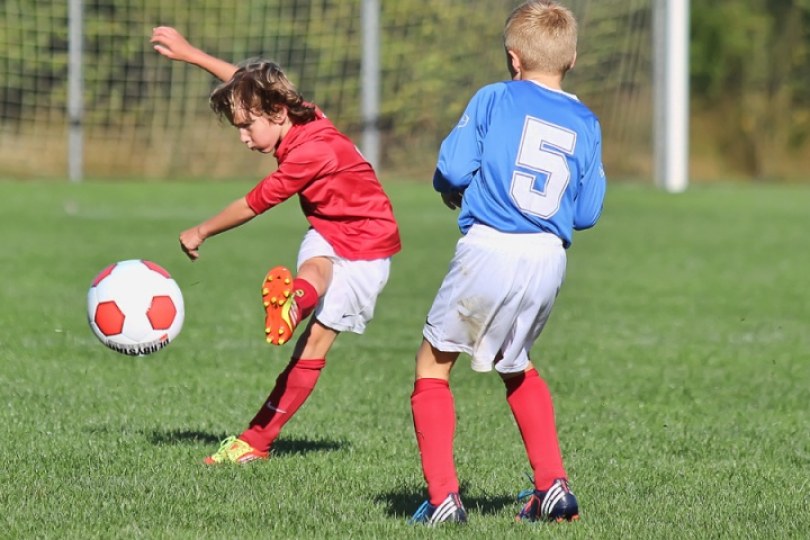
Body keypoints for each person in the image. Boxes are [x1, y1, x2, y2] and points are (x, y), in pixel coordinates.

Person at [150, 27, 401, 464]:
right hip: (327, 229)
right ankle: (293, 305)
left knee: (312, 346)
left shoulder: (311, 153)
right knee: (315, 267)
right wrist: (193, 54)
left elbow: (253, 204)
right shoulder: (304, 116)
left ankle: (258, 439)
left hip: (367, 249)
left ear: (278, 113)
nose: (244, 137)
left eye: (247, 127)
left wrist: (201, 230)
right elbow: (250, 87)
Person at [407, 0, 606, 526]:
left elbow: (451, 168)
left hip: (491, 245)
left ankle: (443, 497)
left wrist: (451, 191)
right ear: (573, 58)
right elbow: (586, 212)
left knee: (433, 366)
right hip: (548, 258)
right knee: (516, 363)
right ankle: (553, 489)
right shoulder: (586, 120)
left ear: (513, 58)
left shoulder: (495, 97)